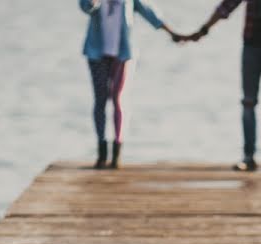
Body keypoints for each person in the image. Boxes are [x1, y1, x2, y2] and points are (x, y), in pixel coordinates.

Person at [190, 0, 261, 172]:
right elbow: (226, 7)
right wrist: (204, 29)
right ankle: (248, 157)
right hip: (252, 46)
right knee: (248, 102)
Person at [79, 0, 185, 169]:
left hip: (123, 53)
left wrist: (172, 33)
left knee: (118, 98)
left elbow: (150, 13)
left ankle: (117, 152)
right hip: (96, 52)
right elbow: (86, 7)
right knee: (100, 99)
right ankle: (101, 152)